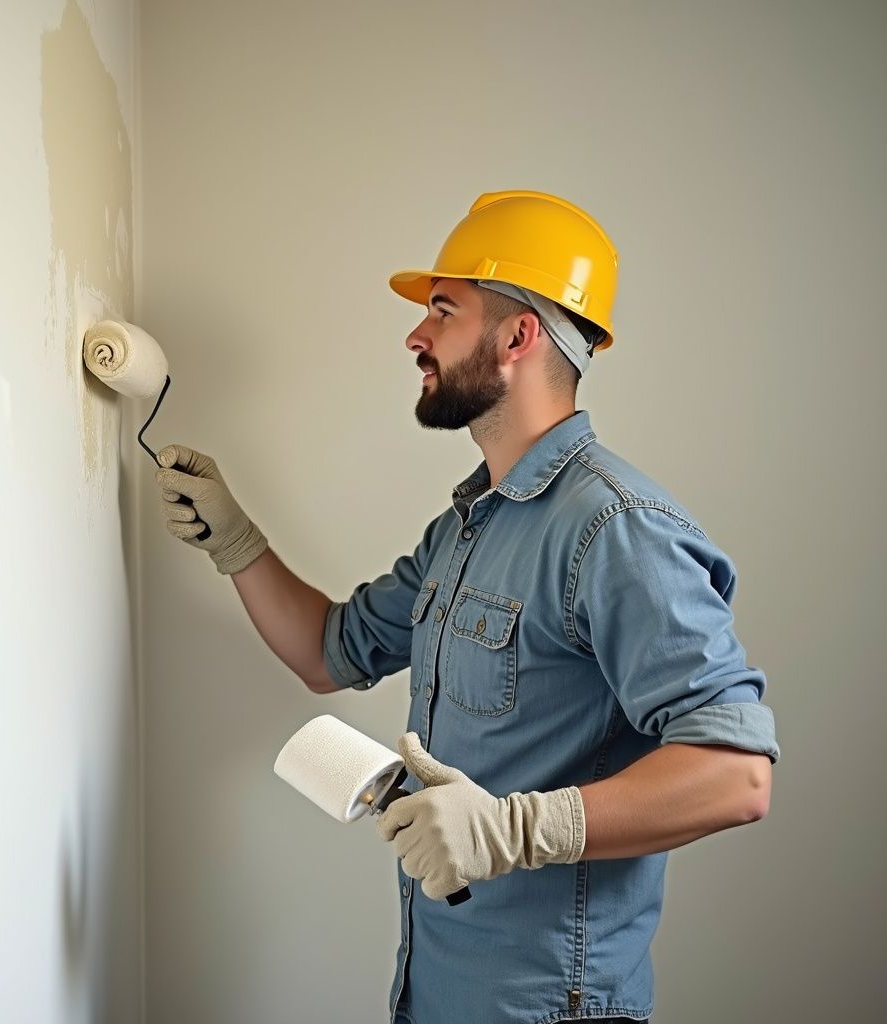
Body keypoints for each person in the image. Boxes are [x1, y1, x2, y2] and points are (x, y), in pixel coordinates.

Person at [153, 190, 780, 1024]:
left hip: (550, 1008)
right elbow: (327, 649)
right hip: (437, 992)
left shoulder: (617, 530)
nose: (416, 335)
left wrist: (514, 831)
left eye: (443, 311)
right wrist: (235, 542)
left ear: (518, 336)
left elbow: (736, 774)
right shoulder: (466, 531)